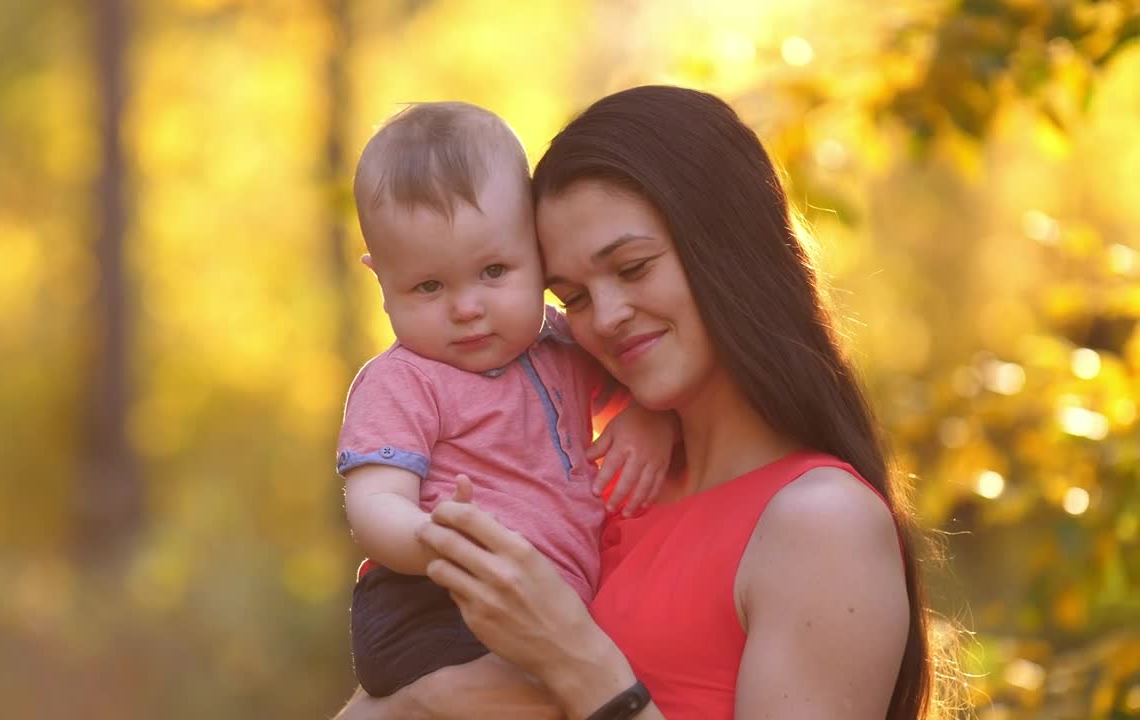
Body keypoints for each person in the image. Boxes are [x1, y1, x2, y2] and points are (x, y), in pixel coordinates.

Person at [335, 85, 940, 720]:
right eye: (573, 298)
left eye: (632, 268)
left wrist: (575, 661)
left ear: (729, 245)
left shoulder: (821, 523)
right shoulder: (598, 486)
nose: (608, 317)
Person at [338, 101, 679, 699]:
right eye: (428, 286)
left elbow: (650, 384)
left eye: (494, 271)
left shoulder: (565, 344)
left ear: (538, 256)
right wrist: (433, 539)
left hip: (543, 609)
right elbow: (373, 501)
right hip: (439, 603)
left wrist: (653, 420)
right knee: (546, 704)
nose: (466, 307)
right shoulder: (404, 381)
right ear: (381, 282)